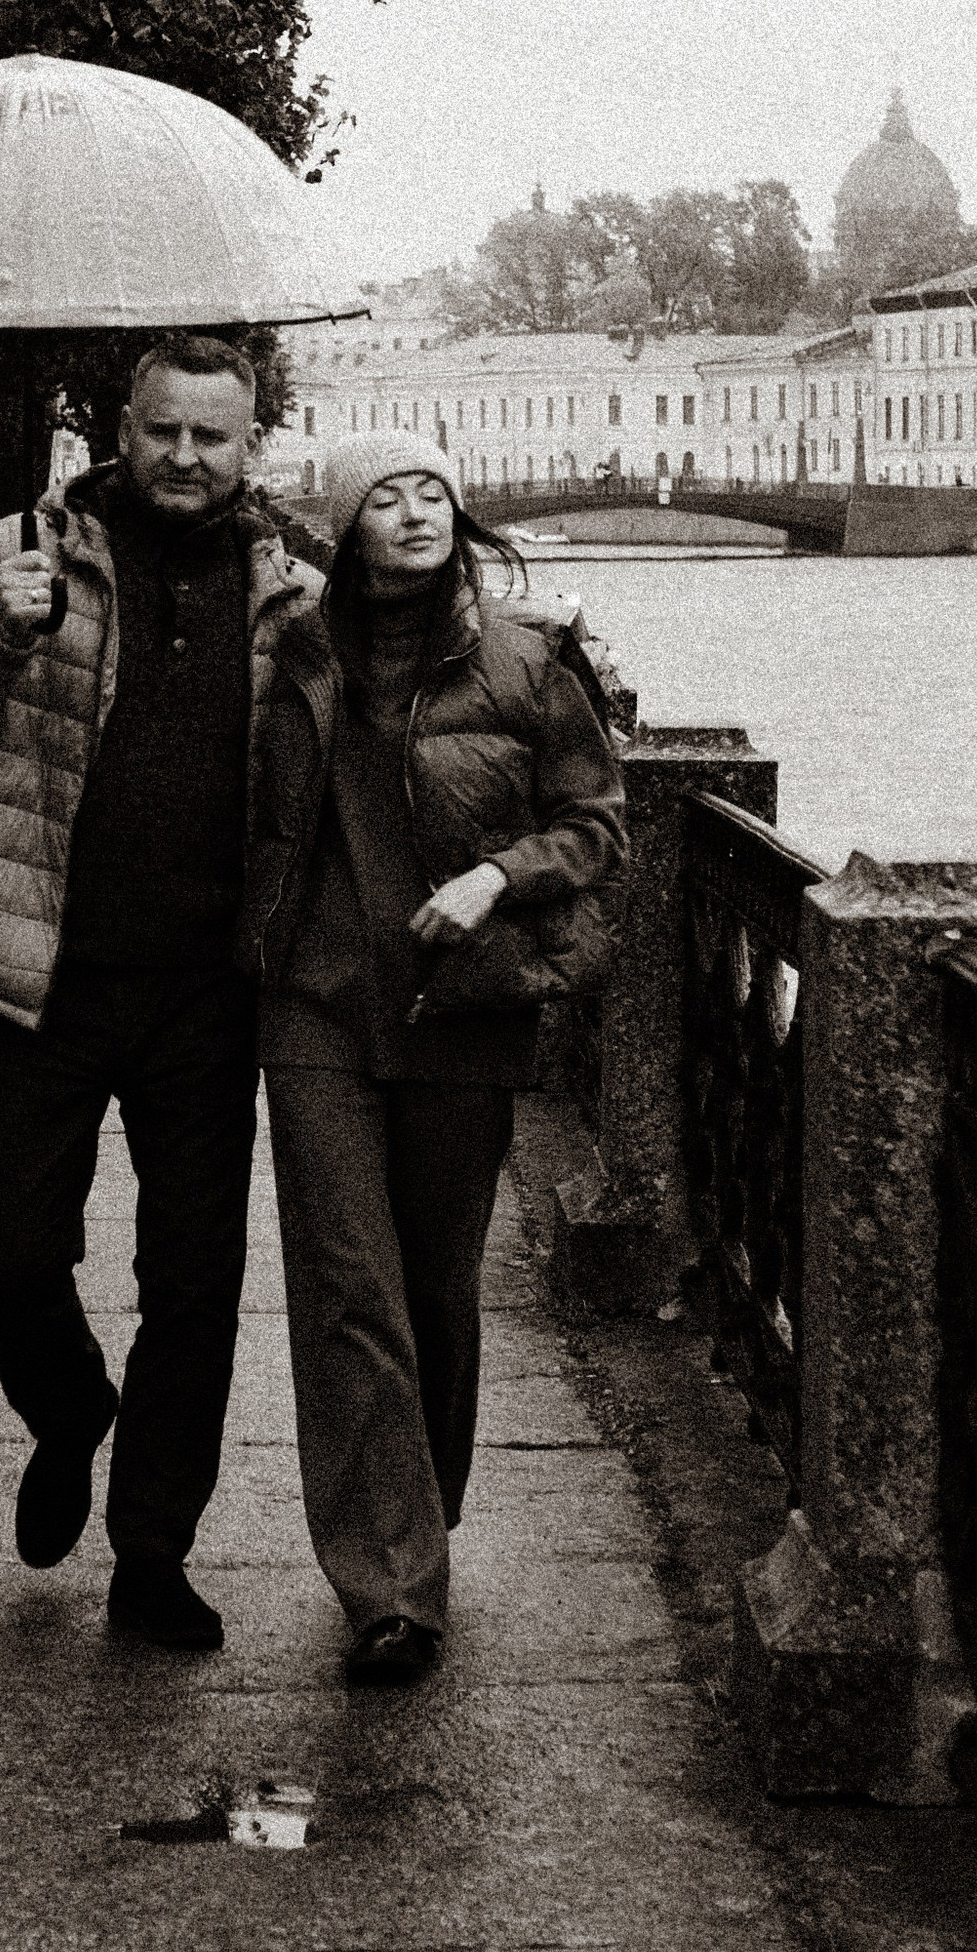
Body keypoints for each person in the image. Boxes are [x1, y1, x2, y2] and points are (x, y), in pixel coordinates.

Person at [0, 334, 322, 1651]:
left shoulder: (292, 587)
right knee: (14, 1247)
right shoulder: (26, 549)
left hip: (208, 994)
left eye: (211, 435)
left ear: (250, 445)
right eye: (162, 429)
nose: (184, 456)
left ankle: (152, 1554)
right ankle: (70, 1409)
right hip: (46, 974)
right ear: (120, 430)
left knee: (194, 1283)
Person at [242, 435, 626, 1686]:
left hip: (464, 1006)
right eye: (385, 498)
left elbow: (595, 825)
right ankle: (392, 1588)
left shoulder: (526, 658)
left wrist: (496, 876)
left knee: (437, 1295)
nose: (414, 514)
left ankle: (418, 1506)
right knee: (350, 1290)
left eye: (433, 494)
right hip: (314, 1010)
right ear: (344, 524)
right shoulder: (289, 651)